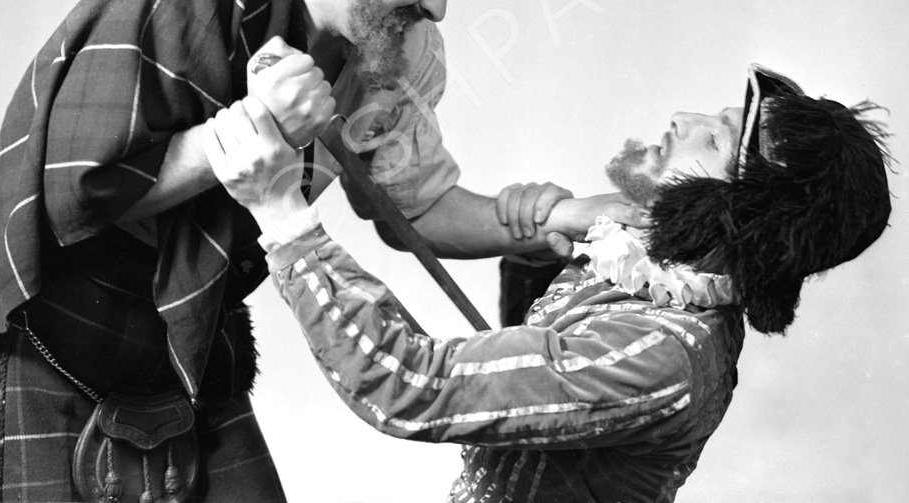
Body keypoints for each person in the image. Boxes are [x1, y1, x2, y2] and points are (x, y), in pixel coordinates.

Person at [0, 0, 642, 502]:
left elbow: (420, 207)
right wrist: (260, 126)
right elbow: (71, 196)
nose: (439, 7)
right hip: (42, 335)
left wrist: (560, 213)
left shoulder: (393, 48)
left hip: (185, 346)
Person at [200, 62, 892, 502]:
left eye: (714, 141)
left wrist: (282, 213)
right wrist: (544, 228)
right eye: (714, 116)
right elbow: (532, 363)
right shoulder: (646, 266)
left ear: (742, 221)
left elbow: (413, 386)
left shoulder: (663, 353)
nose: (684, 118)